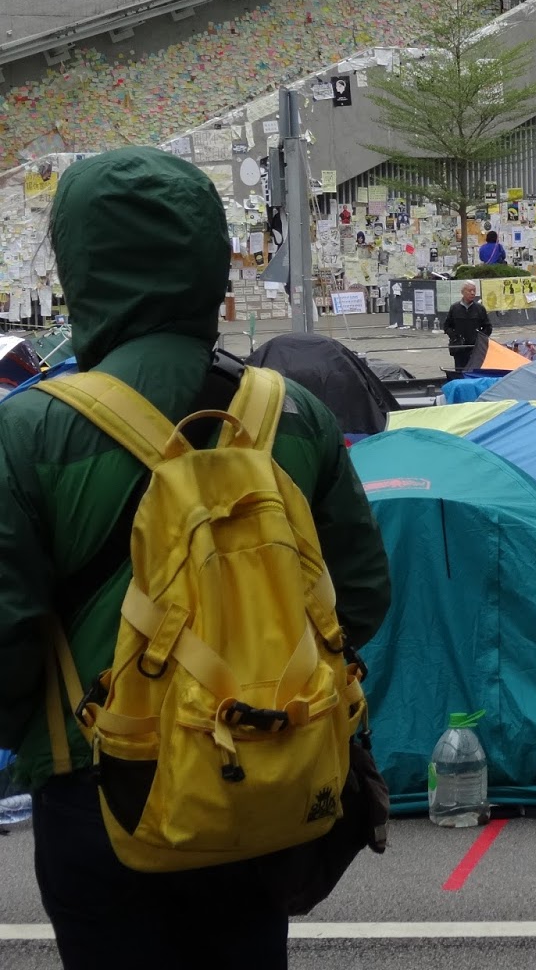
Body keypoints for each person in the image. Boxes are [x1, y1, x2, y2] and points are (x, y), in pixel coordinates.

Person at [0, 147, 391, 969]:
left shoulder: (26, 432)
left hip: (99, 788)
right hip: (263, 766)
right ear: (210, 257)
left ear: (81, 267)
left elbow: (6, 638)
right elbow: (359, 596)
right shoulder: (293, 413)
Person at [444, 282, 492, 371]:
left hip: (475, 348)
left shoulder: (479, 308)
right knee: (460, 372)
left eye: (474, 291)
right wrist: (455, 337)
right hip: (459, 349)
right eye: (470, 291)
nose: (472, 293)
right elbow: (446, 326)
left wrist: (479, 339)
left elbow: (488, 327)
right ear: (463, 292)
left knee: (474, 372)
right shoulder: (455, 308)